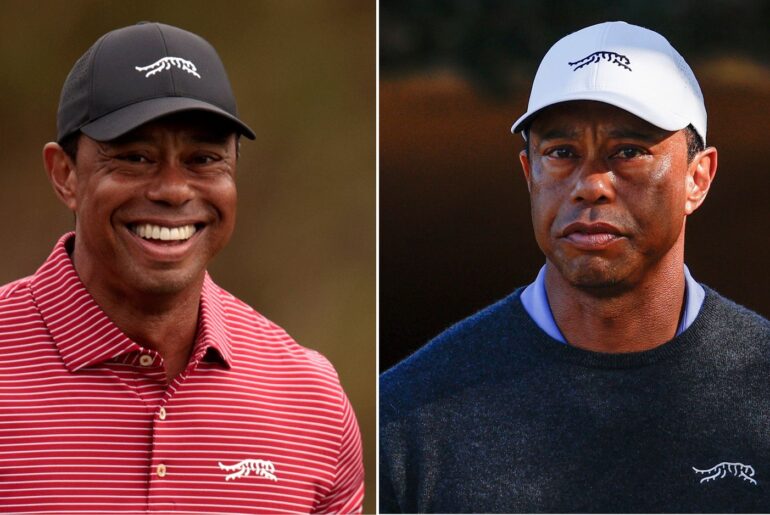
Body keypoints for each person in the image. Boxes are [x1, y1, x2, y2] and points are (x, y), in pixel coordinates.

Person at [380, 21, 770, 513]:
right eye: (562, 153)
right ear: (530, 175)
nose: (592, 185)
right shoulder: (405, 419)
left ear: (698, 178)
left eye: (628, 152)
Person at [0, 22, 363, 514]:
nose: (173, 189)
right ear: (65, 175)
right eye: (135, 157)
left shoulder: (309, 398)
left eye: (203, 159)